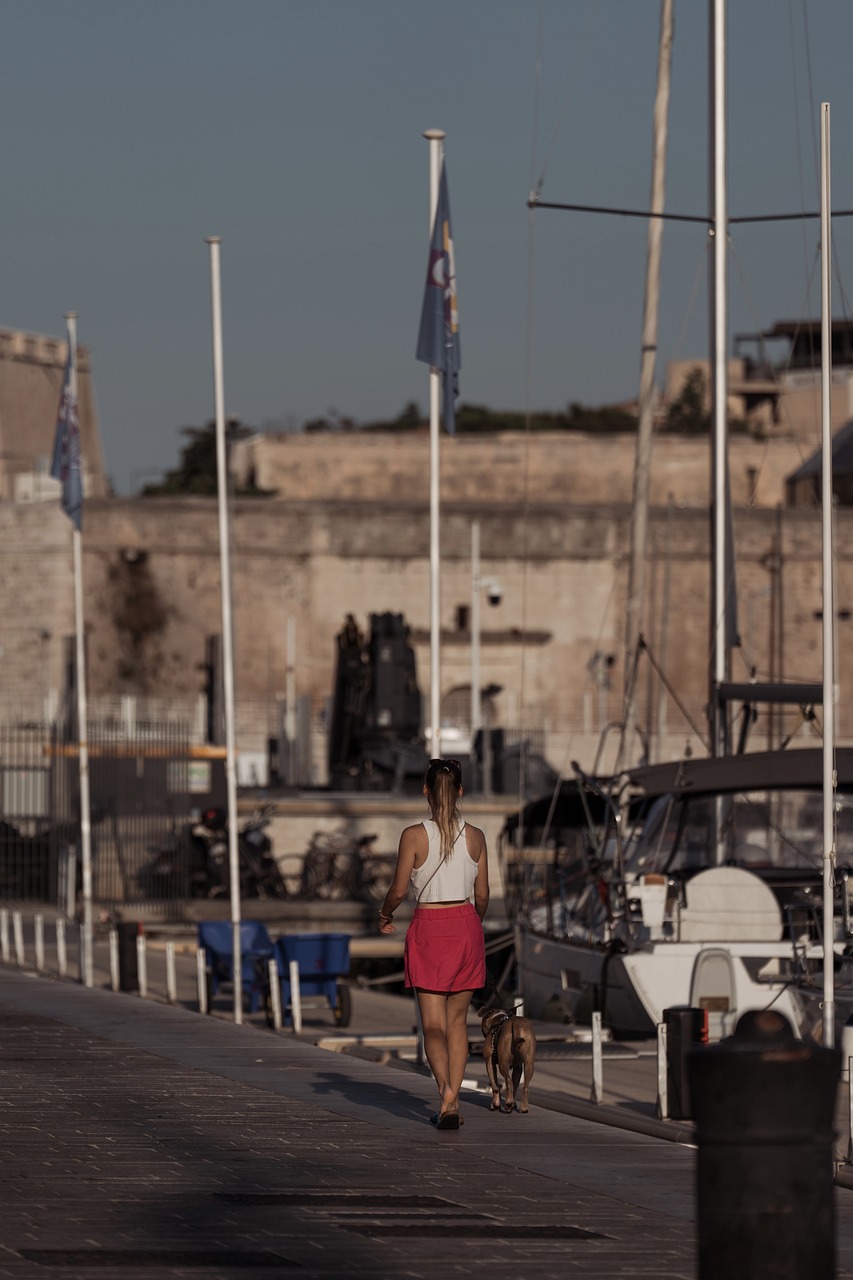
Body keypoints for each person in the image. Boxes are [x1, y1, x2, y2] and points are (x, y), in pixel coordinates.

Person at [378, 757, 489, 1130]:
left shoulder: (413, 835)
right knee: (459, 1024)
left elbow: (397, 890)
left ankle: (446, 1095)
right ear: (460, 792)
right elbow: (483, 894)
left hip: (429, 926)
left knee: (434, 1027)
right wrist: (473, 924)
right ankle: (453, 1096)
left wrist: (385, 915)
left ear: (425, 789)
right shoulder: (476, 835)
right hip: (466, 924)